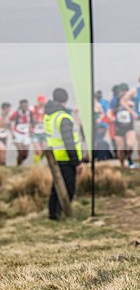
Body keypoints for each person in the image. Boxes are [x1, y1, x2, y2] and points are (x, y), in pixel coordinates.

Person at [44, 88, 83, 220]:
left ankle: (53, 213)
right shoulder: (63, 117)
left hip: (55, 157)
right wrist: (76, 162)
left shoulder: (49, 115)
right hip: (66, 158)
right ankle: (62, 213)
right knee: (68, 189)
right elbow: (69, 142)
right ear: (65, 100)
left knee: (57, 187)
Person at [109, 83, 135, 168]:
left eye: (125, 91)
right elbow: (109, 111)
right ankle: (122, 164)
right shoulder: (115, 100)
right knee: (121, 149)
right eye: (122, 91)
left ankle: (129, 158)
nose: (124, 93)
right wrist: (111, 117)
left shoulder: (131, 100)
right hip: (119, 126)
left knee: (130, 145)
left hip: (129, 126)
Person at [9, 99, 33, 166]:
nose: (25, 106)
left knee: (25, 153)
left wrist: (31, 130)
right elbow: (10, 121)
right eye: (23, 105)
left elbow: (32, 122)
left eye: (26, 105)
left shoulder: (30, 113)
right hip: (17, 133)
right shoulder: (16, 113)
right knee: (20, 151)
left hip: (26, 133)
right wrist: (12, 132)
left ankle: (20, 162)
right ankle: (19, 165)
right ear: (20, 105)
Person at [31, 95, 48, 165]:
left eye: (43, 102)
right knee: (37, 150)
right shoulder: (33, 109)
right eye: (41, 102)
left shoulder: (47, 109)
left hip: (44, 132)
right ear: (38, 102)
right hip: (35, 132)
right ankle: (37, 165)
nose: (42, 104)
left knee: (45, 150)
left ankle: (42, 162)